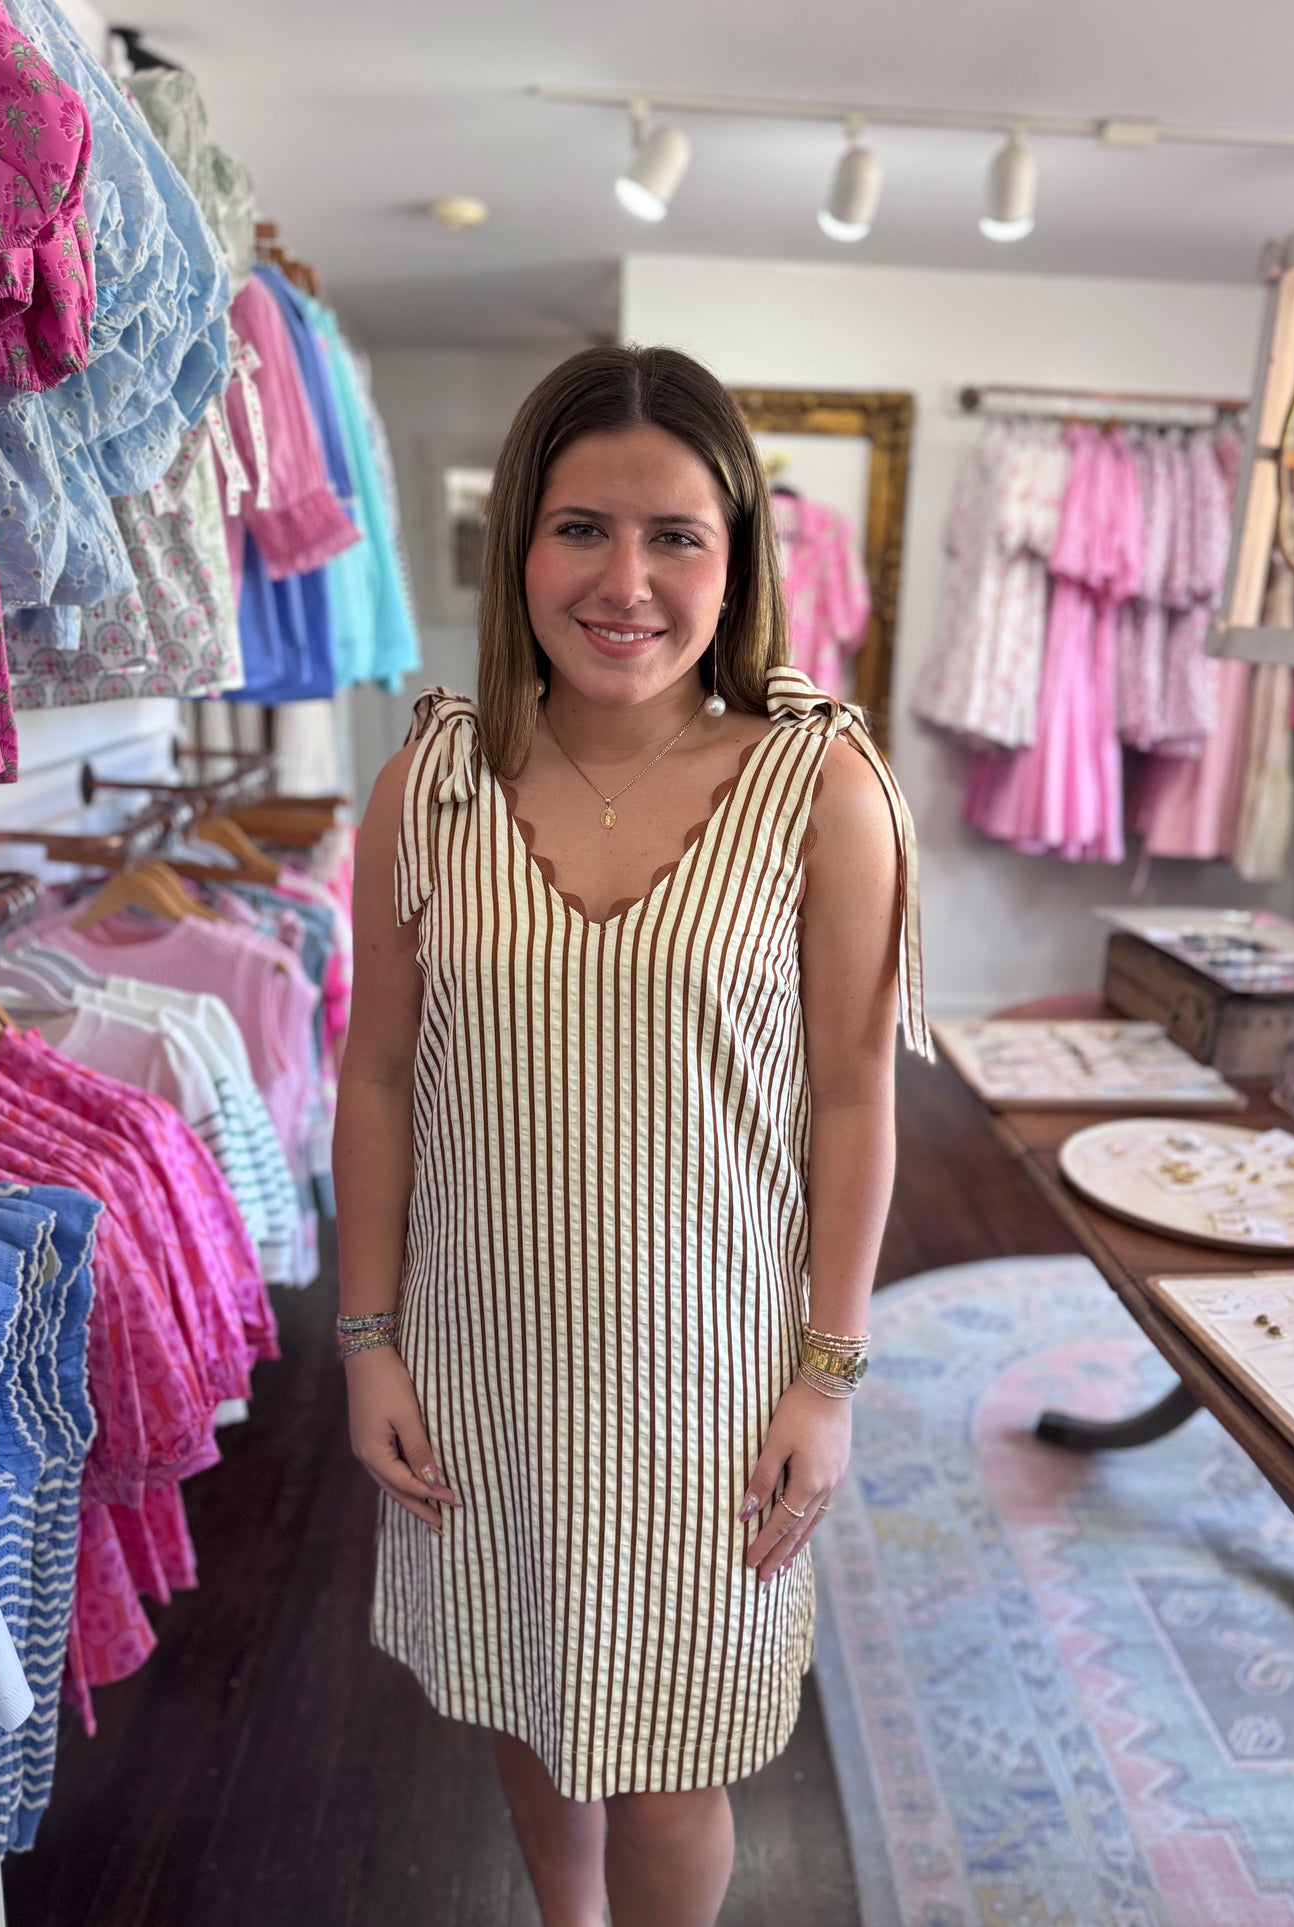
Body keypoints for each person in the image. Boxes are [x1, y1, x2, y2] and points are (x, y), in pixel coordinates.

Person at [333, 343, 931, 1927]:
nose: (626, 580)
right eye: (582, 526)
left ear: (732, 562)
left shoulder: (819, 787)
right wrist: (367, 1341)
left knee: (678, 1754)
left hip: (710, 1376)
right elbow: (378, 1075)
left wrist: (830, 1374)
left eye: (676, 536)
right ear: (519, 541)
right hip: (486, 1356)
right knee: (532, 1696)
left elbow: (857, 1096)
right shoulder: (431, 786)